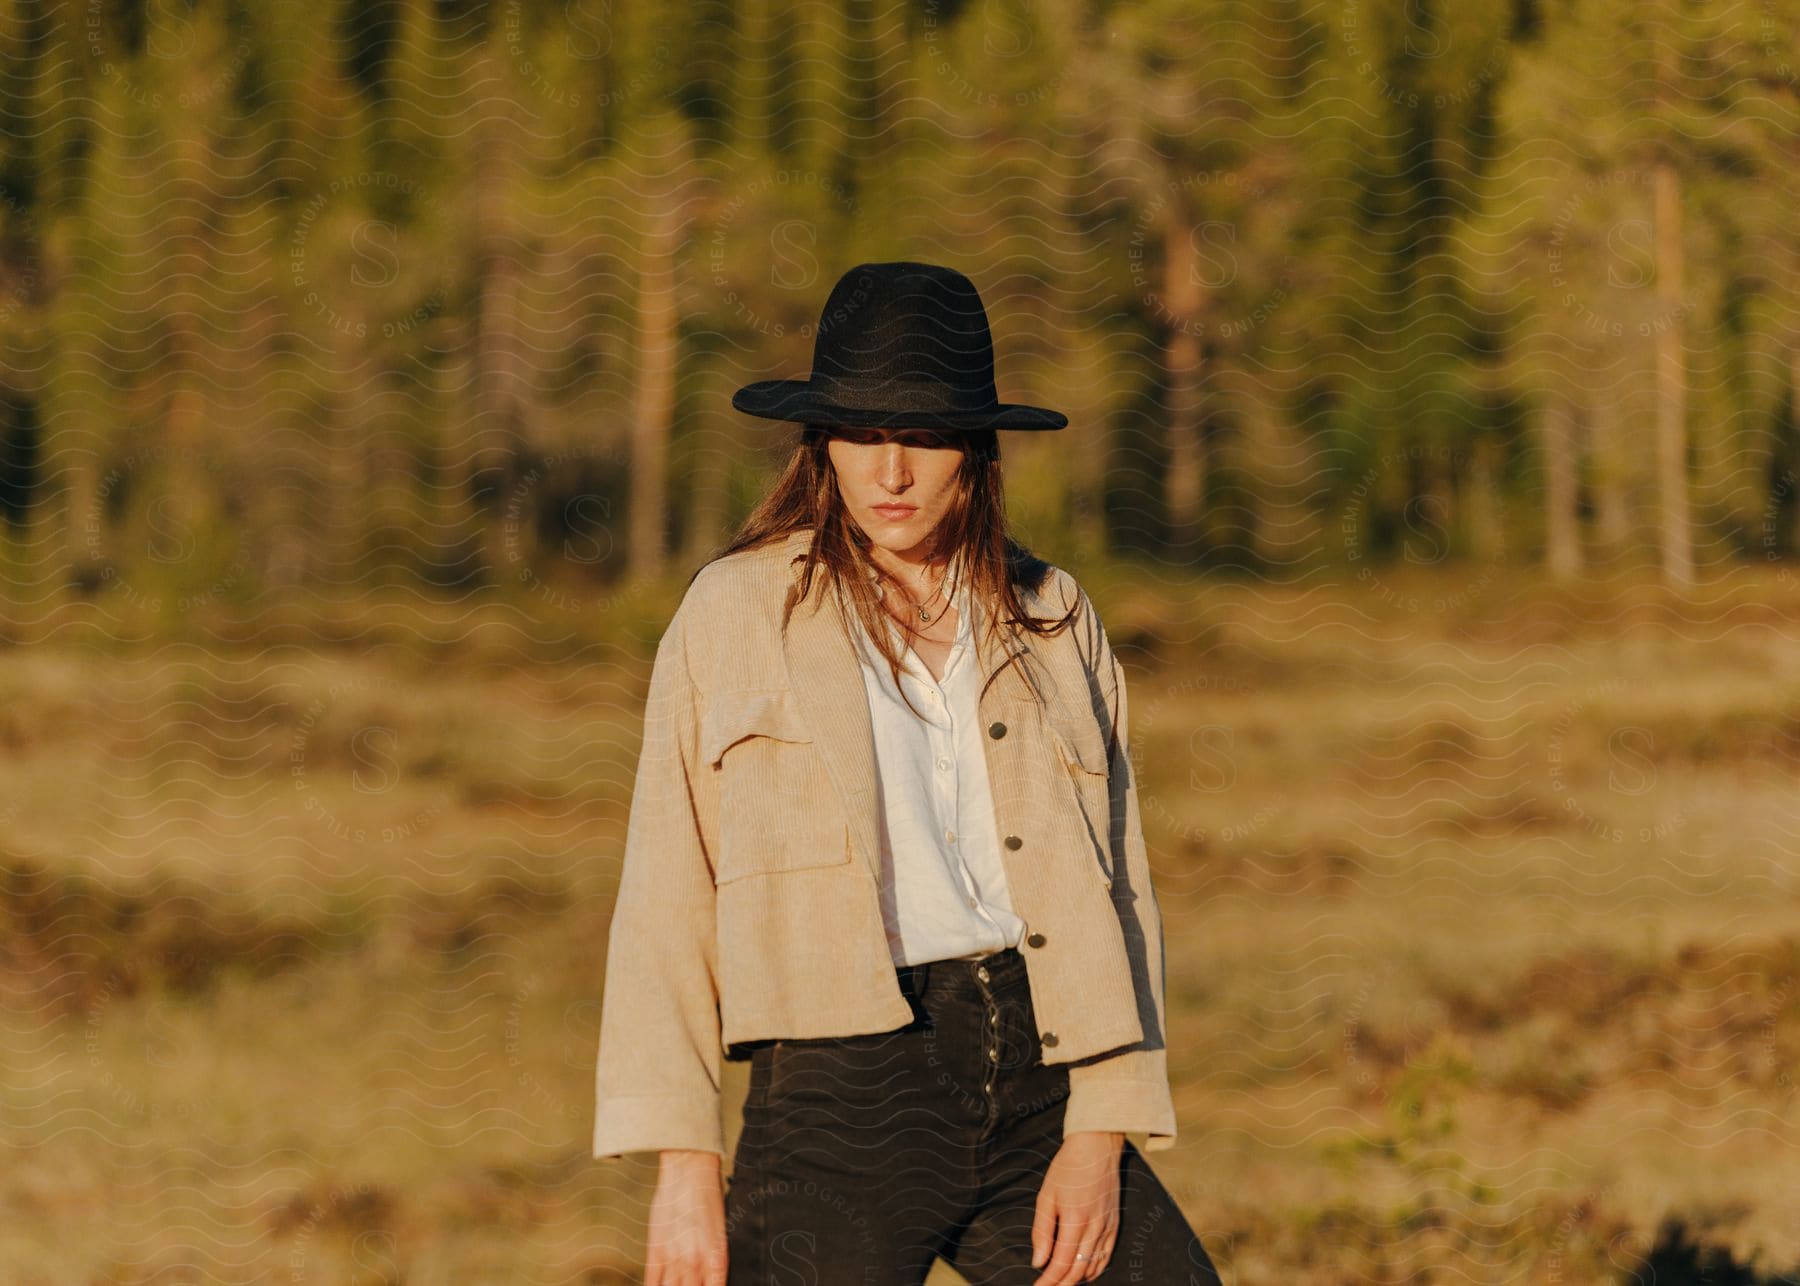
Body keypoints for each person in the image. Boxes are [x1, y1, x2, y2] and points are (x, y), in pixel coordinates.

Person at [592, 261, 1222, 1285]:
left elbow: (1122, 883)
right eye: (862, 434)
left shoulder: (1053, 615)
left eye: (924, 437)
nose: (891, 471)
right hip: (839, 1090)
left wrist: (1103, 1126)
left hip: (1036, 1069)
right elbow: (667, 893)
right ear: (821, 443)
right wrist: (683, 1160)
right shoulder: (737, 611)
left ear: (975, 449)